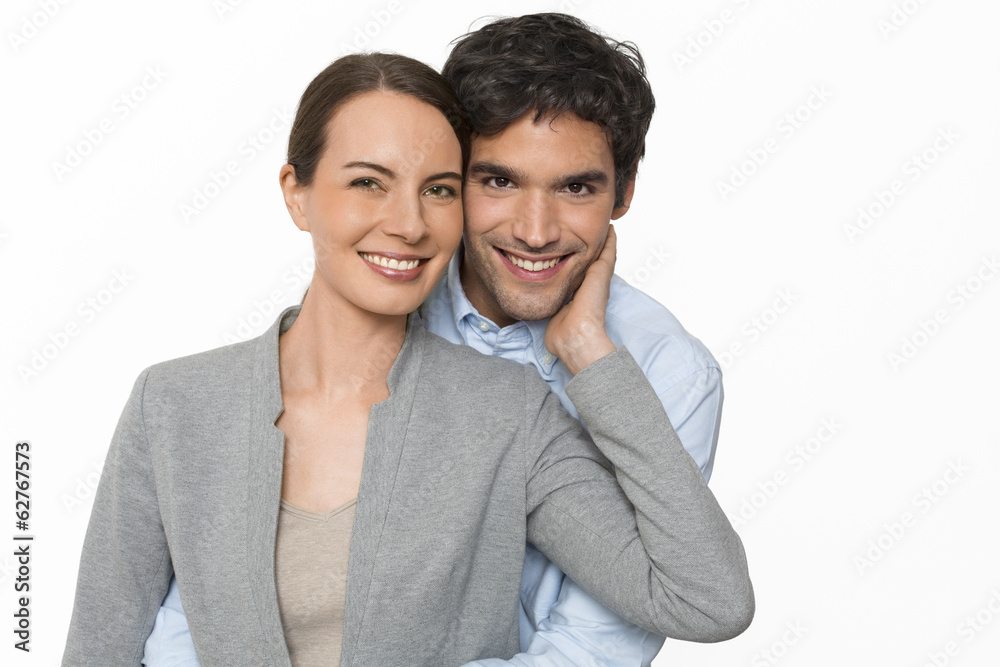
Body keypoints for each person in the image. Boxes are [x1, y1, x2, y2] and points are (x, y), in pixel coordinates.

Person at [63, 52, 752, 667]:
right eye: (368, 182)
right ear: (295, 193)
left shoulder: (510, 410)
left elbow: (703, 599)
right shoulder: (174, 402)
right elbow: (102, 645)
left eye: (439, 189)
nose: (410, 223)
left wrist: (588, 354)